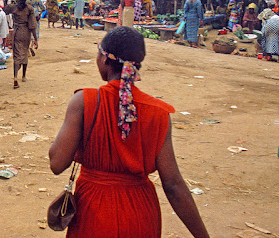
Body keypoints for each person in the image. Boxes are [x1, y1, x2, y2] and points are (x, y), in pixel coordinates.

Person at [48, 26, 209, 238]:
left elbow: (57, 163)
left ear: (105, 59)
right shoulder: (158, 113)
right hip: (141, 215)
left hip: (94, 214)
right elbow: (173, 185)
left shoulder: (84, 102)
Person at [4, 0, 38, 89]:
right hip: (26, 32)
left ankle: (15, 77)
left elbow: (4, 7)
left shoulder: (13, 7)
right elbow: (32, 25)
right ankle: (23, 76)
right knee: (24, 52)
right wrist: (35, 39)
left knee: (17, 55)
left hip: (17, 32)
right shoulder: (29, 8)